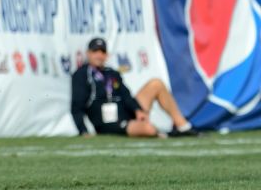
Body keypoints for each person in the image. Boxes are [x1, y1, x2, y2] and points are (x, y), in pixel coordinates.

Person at [71, 37, 200, 138]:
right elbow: (76, 107)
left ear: (106, 55)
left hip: (126, 112)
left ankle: (183, 127)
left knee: (156, 84)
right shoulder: (81, 75)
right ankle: (162, 134)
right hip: (108, 122)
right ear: (88, 53)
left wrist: (138, 110)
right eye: (95, 51)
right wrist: (83, 131)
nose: (99, 55)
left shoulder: (111, 73)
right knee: (148, 130)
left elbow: (126, 95)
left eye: (102, 51)